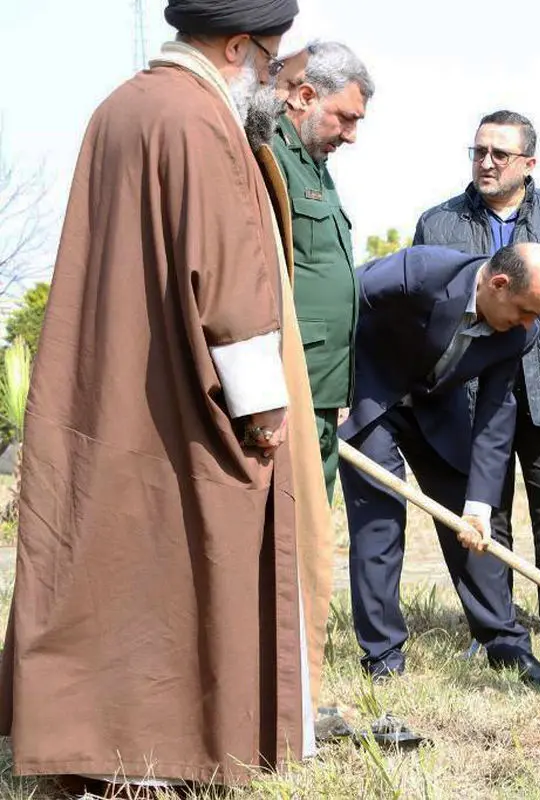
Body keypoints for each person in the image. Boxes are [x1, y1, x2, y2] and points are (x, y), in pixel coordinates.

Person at [0, 0, 333, 789]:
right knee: (178, 568)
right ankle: (163, 759)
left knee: (109, 563)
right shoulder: (199, 121)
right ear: (240, 46)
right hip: (182, 399)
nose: (278, 86)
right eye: (275, 65)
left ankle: (90, 752)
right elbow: (225, 279)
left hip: (115, 385)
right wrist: (261, 409)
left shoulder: (121, 107)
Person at [414, 110, 540, 661]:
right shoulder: (438, 225)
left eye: (499, 154)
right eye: (478, 151)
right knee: (485, 512)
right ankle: (495, 634)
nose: (486, 162)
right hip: (469, 400)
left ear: (529, 163)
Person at [338, 243, 540, 691]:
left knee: (472, 523)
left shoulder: (519, 332)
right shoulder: (420, 272)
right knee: (380, 520)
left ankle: (506, 645)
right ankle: (383, 654)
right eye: (525, 311)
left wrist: (480, 504)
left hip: (433, 410)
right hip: (366, 396)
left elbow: (495, 416)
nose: (528, 325)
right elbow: (342, 298)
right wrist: (329, 386)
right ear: (497, 285)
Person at [272, 41, 373, 501]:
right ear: (306, 96)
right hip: (288, 385)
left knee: (311, 527)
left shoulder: (314, 162)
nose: (351, 135)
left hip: (323, 388)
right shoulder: (268, 155)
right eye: (346, 118)